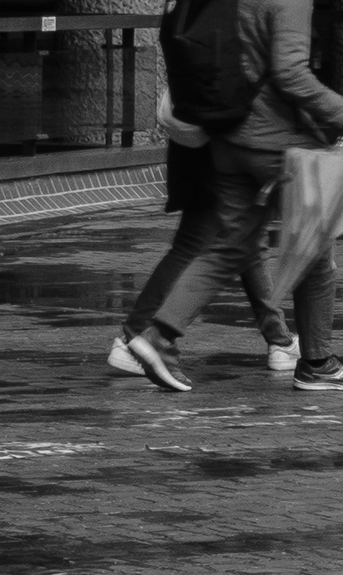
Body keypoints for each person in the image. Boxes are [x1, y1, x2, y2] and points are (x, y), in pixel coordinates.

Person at [122, 0, 343, 397]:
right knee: (316, 247)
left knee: (228, 246)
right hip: (274, 143)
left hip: (228, 136)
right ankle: (318, 364)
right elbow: (289, 73)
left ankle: (158, 336)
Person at [106, 77, 298, 377]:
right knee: (196, 243)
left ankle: (280, 340)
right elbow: (284, 69)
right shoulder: (231, 33)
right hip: (220, 135)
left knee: (246, 238)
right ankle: (135, 337)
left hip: (206, 129)